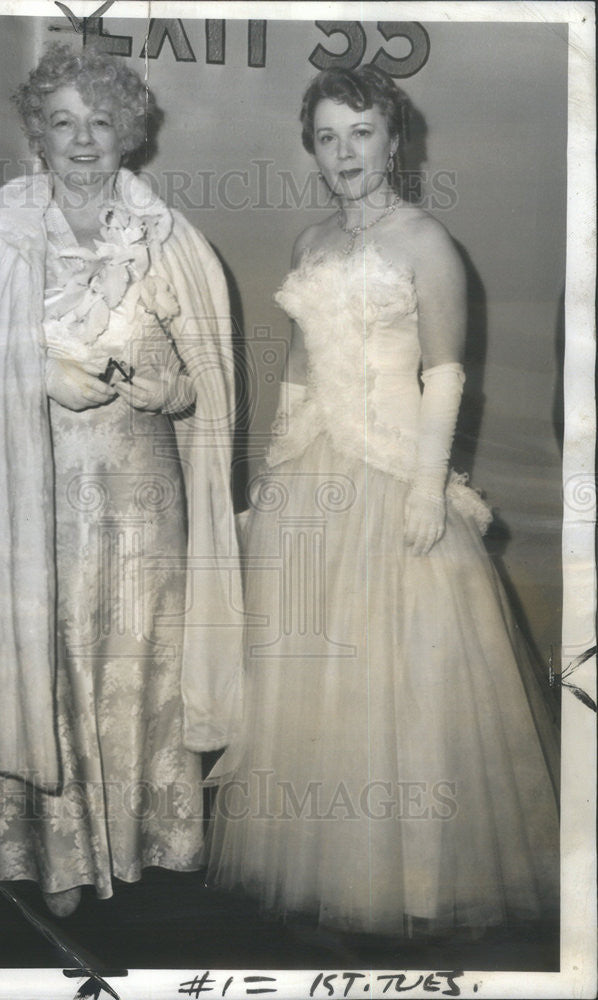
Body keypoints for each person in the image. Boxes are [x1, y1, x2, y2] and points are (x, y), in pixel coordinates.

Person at [205, 65, 559, 939]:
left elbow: (446, 377)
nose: (345, 152)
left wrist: (429, 489)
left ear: (395, 140)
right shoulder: (311, 242)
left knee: (400, 682)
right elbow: (297, 365)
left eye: (360, 133)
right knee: (310, 681)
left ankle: (416, 882)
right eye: (327, 138)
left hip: (398, 475)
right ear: (313, 151)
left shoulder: (427, 243)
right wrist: (271, 474)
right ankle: (320, 861)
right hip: (315, 479)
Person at [0, 42, 242, 917]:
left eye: (100, 122)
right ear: (37, 131)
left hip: (146, 502)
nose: (81, 141)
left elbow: (209, 382)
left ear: (128, 136)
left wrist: (173, 390)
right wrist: (31, 370)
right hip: (39, 502)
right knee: (56, 655)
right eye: (63, 122)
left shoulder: (169, 238)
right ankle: (60, 857)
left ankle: (149, 840)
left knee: (140, 658)